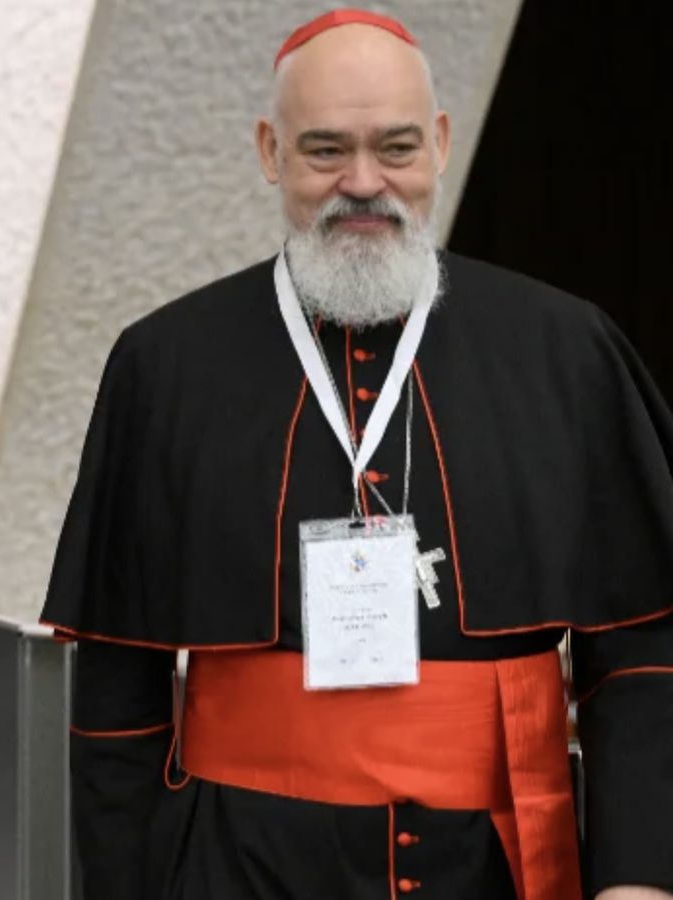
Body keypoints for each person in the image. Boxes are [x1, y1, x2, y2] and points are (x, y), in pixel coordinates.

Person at [42, 9, 673, 900]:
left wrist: (640, 880)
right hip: (236, 865)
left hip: (497, 869)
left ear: (443, 144)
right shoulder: (167, 364)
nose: (365, 183)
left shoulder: (565, 349)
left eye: (398, 149)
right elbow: (117, 689)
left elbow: (642, 650)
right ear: (270, 151)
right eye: (326, 151)